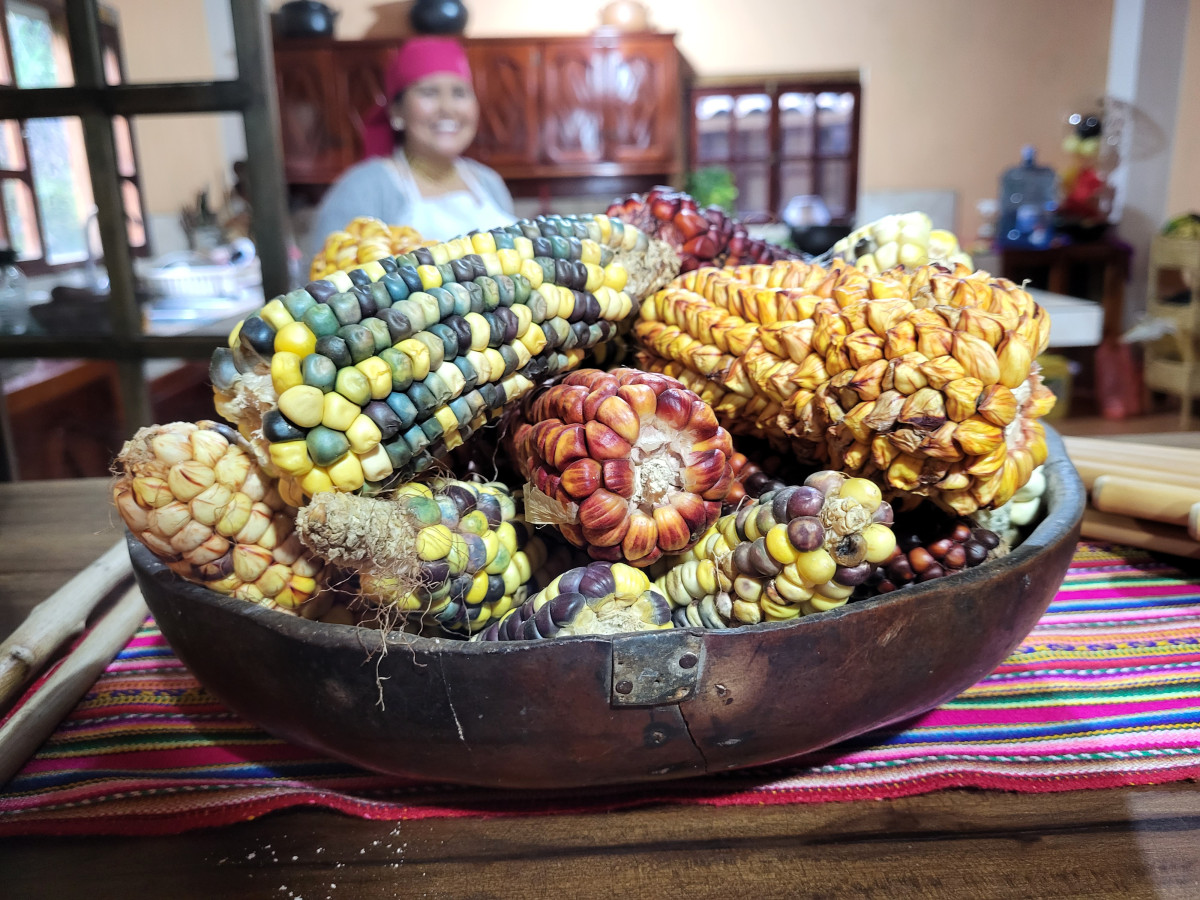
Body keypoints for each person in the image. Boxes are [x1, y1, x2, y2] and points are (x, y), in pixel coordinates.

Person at [308, 37, 515, 253]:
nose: (447, 108)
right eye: (429, 92)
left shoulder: (489, 183)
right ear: (396, 111)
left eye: (459, 93)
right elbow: (327, 280)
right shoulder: (363, 188)